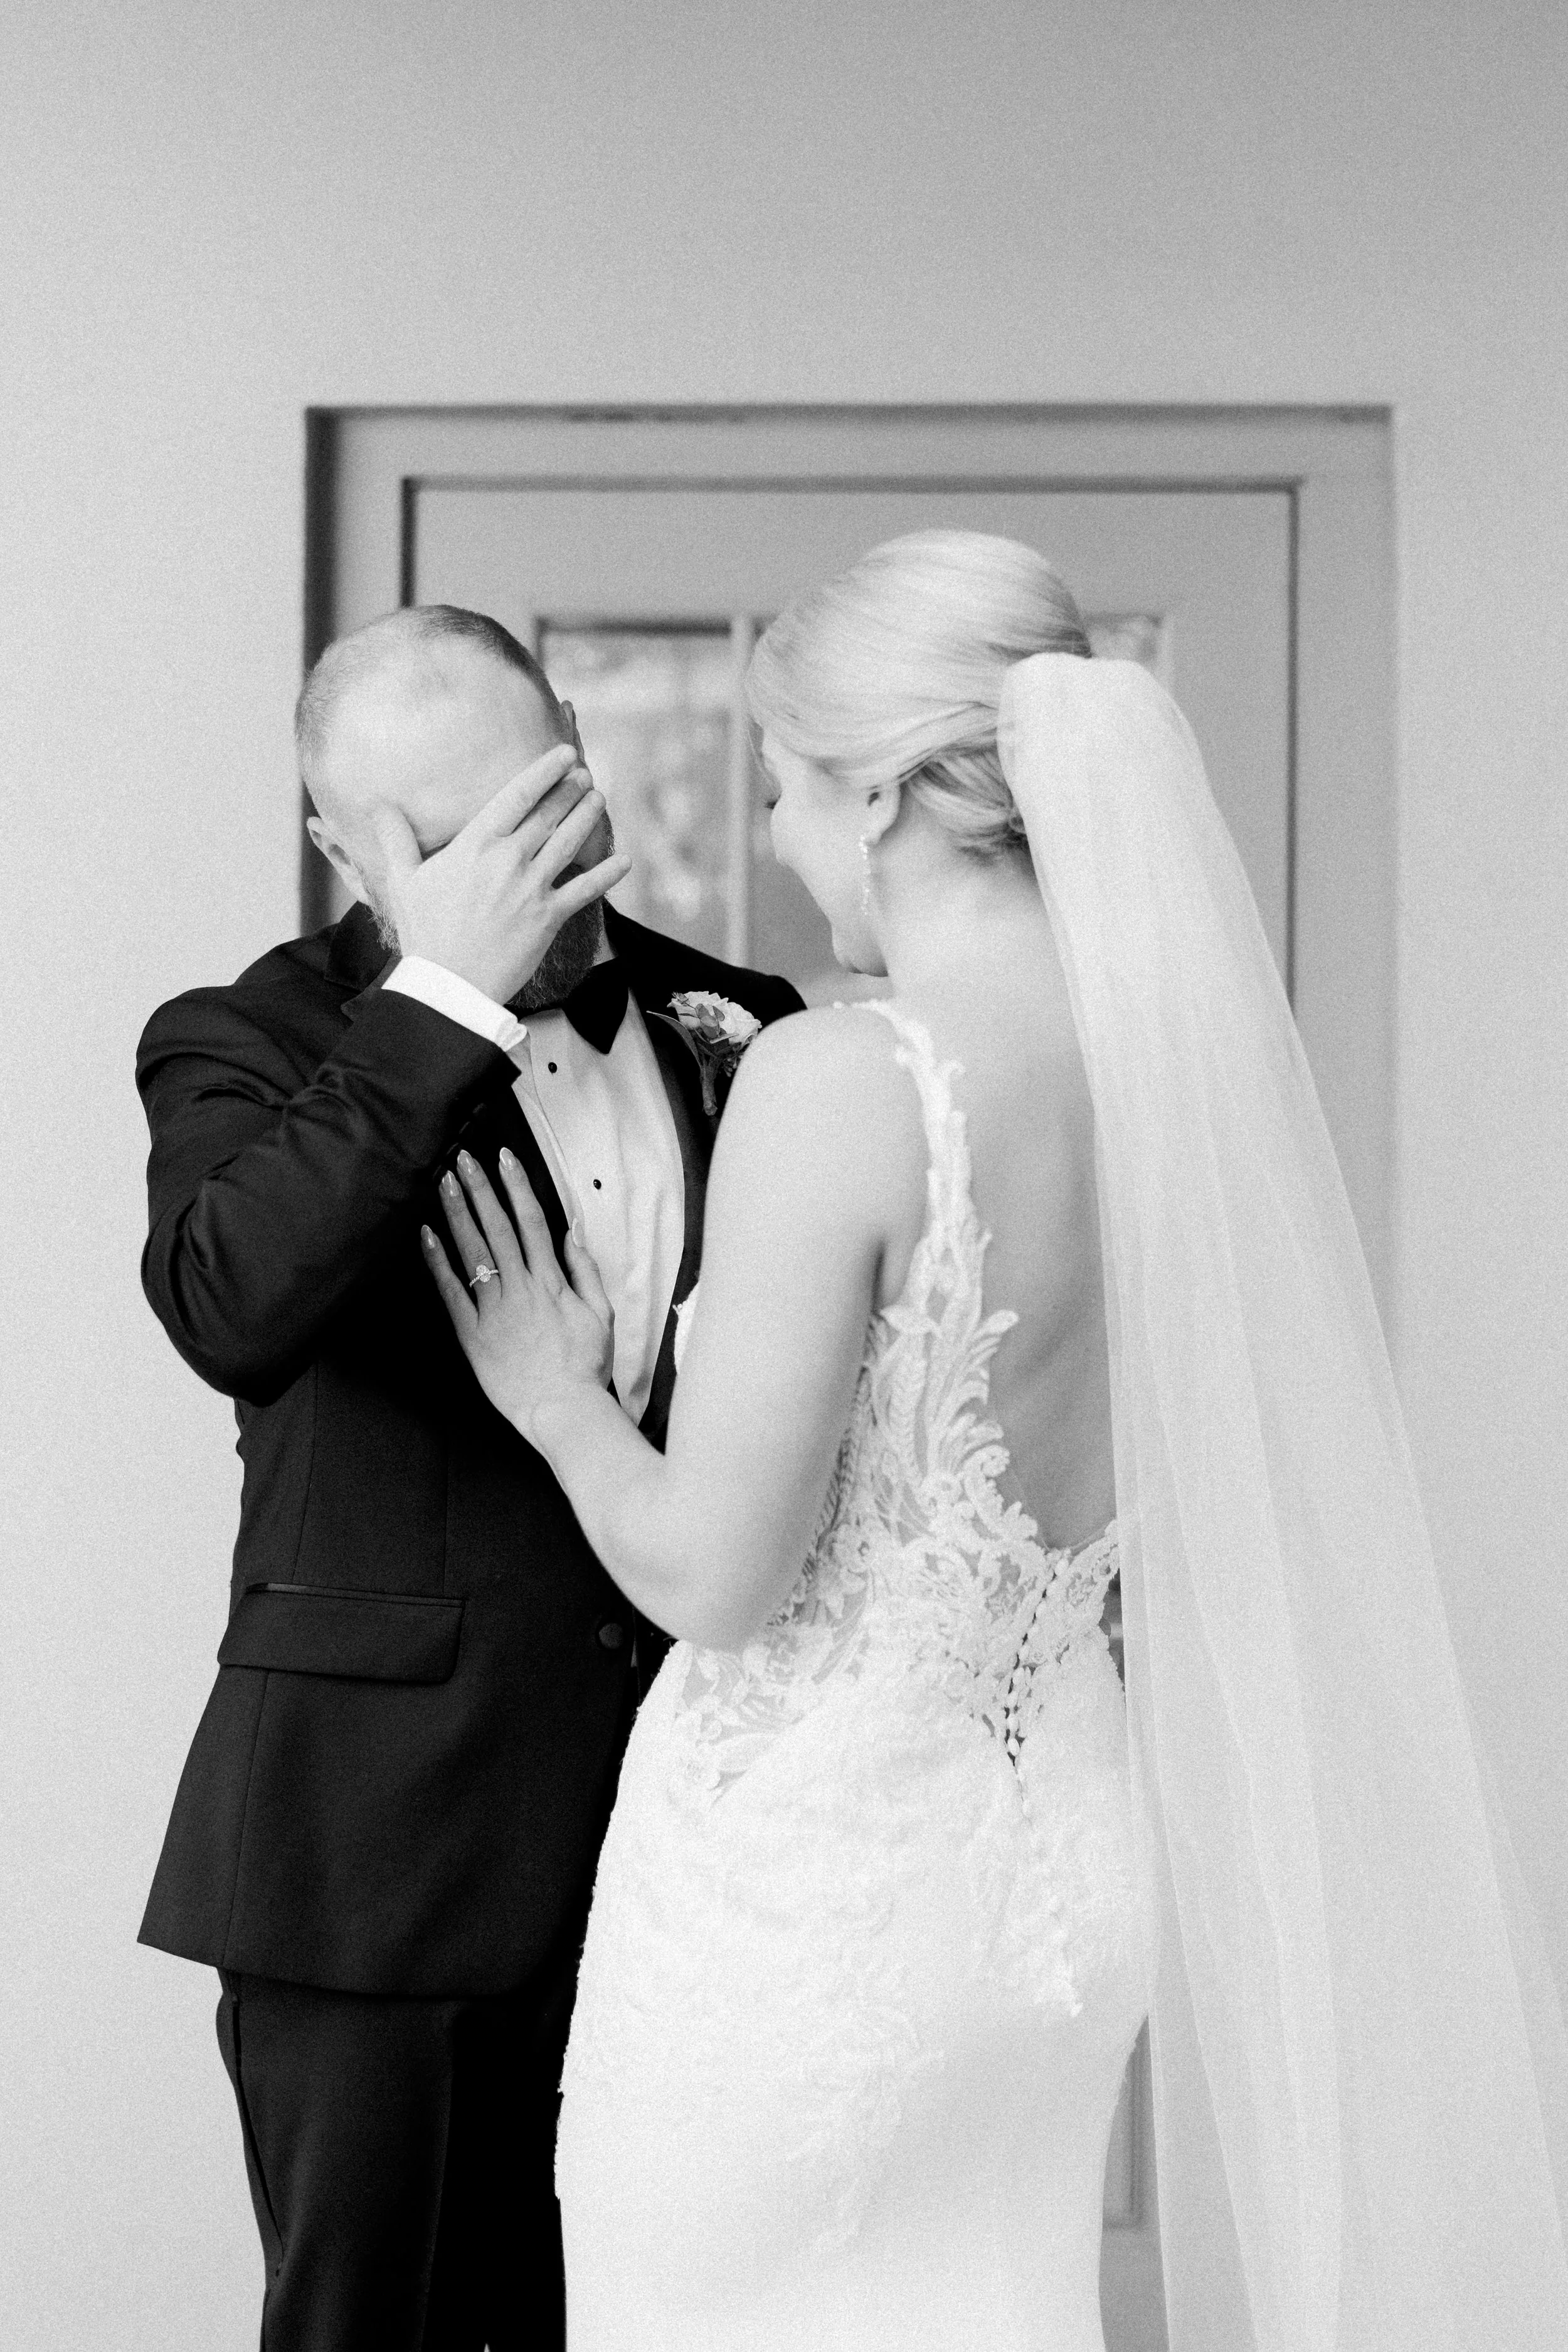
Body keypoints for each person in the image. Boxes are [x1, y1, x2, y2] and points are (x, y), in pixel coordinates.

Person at [430, 532, 1568, 2351]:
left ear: (882, 789)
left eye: (791, 791)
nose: (788, 846)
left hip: (807, 1919)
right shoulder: (1175, 1094)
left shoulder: (847, 1080)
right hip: (1048, 1903)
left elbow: (715, 1576)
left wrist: (555, 1394)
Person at [134, 604, 802, 2351]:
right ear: (340, 848)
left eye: (534, 803)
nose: (512, 866)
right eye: (439, 843)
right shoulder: (246, 1039)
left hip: (696, 1858)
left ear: (578, 752)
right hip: (375, 1869)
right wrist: (444, 994)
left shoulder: (752, 1025)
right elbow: (232, 1301)